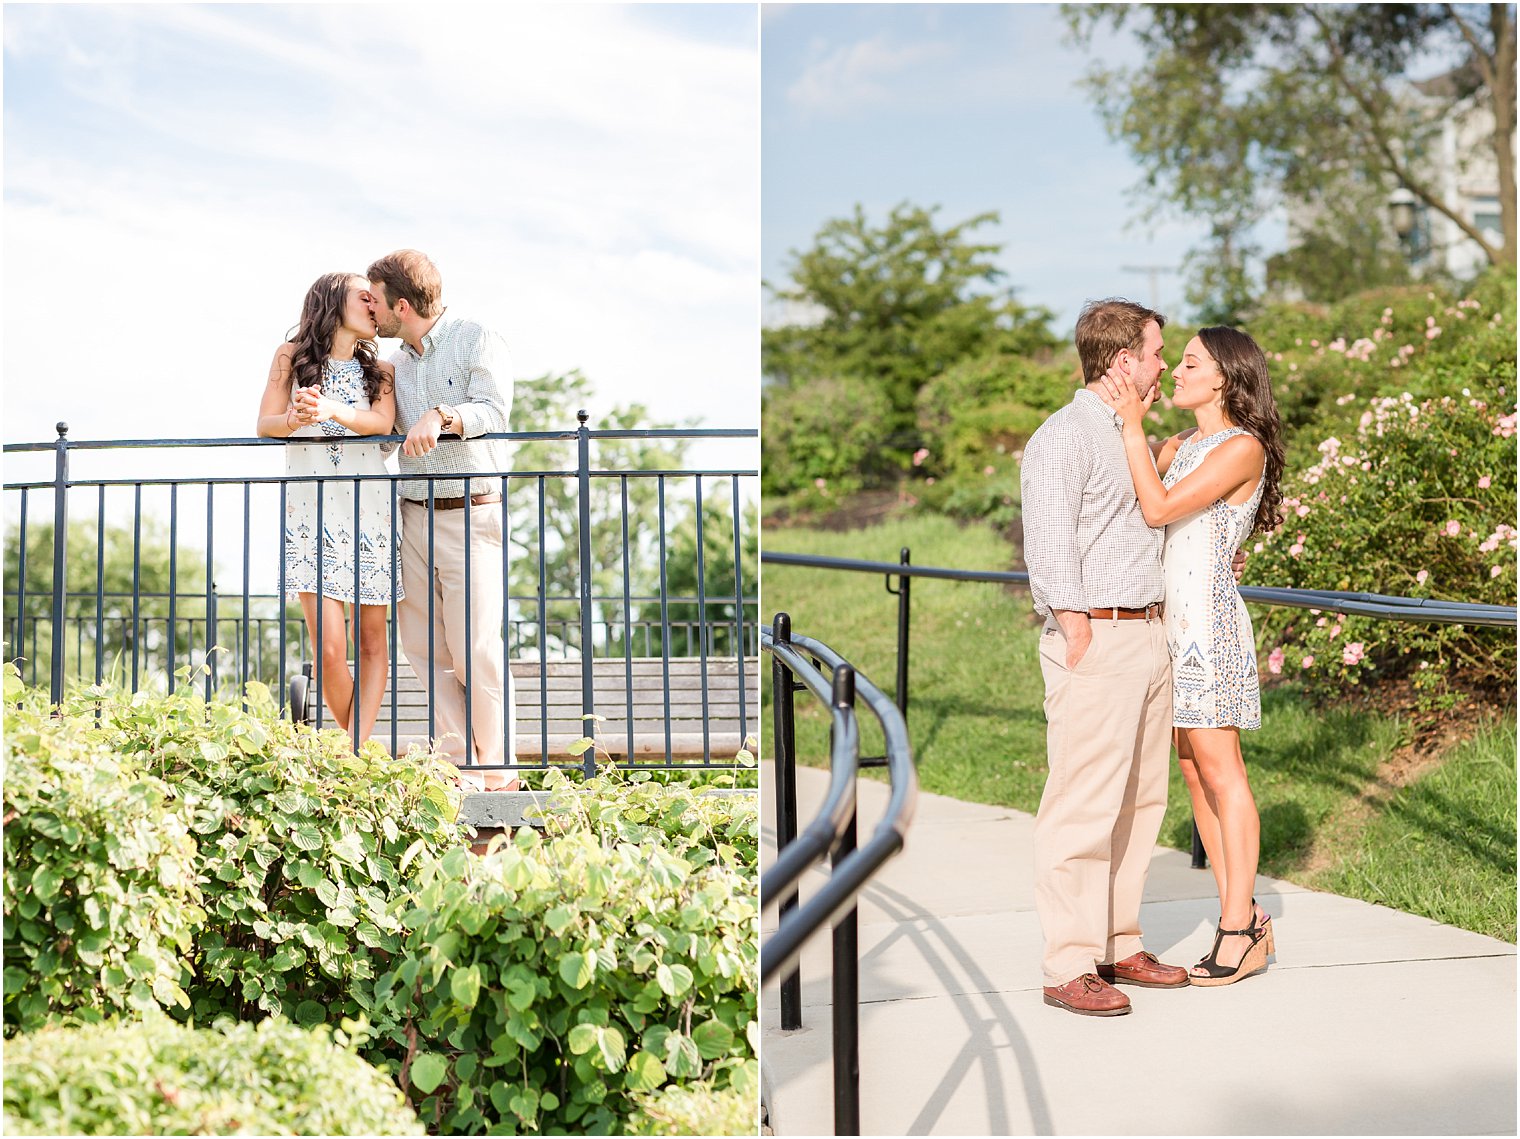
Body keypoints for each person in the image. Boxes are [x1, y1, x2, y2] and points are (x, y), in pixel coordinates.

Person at [1097, 325, 1285, 987]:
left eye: (1190, 362)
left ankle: (1238, 928)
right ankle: (1245, 911)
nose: (1175, 371)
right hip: (1171, 628)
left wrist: (1129, 428)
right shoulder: (1179, 444)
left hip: (1210, 629)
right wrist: (1137, 434)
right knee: (1194, 768)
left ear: (1225, 378)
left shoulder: (1241, 447)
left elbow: (1160, 509)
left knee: (1222, 767)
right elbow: (1141, 512)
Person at [1019, 298, 1189, 1017]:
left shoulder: (1125, 431)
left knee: (1141, 799)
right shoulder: (1063, 436)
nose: (1160, 365)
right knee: (1083, 804)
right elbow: (1050, 542)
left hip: (1147, 636)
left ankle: (1120, 940)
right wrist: (1077, 630)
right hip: (1099, 636)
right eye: (1155, 352)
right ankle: (1068, 963)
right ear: (1122, 360)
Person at [365, 250, 517, 792]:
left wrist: (443, 416)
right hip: (412, 517)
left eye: (375, 300)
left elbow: (495, 412)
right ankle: (458, 767)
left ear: (400, 305)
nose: (371, 311)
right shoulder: (394, 363)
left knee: (474, 645)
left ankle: (496, 773)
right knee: (424, 647)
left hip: (470, 514)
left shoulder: (478, 336)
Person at [256, 272, 401, 750]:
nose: (374, 305)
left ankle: (356, 754)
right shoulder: (290, 357)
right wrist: (294, 418)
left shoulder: (381, 371)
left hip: (370, 511)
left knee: (372, 643)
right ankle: (358, 748)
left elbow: (381, 423)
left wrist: (331, 411)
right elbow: (265, 424)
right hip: (310, 516)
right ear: (333, 300)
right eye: (365, 297)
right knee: (331, 650)